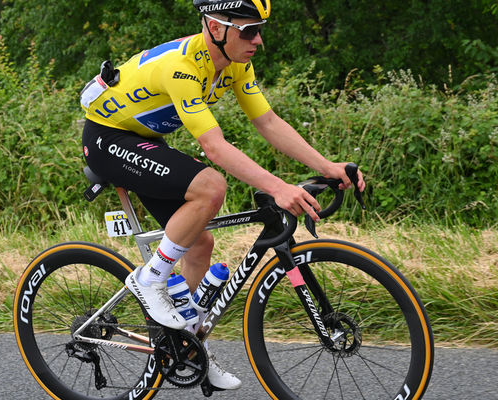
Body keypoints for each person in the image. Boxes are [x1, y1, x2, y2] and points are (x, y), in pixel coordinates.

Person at [80, 0, 365, 390]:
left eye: (259, 29)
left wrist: (327, 167)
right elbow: (213, 147)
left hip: (145, 140)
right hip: (107, 139)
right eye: (248, 31)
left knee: (198, 245)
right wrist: (278, 188)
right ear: (216, 28)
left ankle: (190, 346)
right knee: (211, 186)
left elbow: (266, 120)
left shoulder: (234, 64)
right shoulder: (182, 67)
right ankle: (150, 281)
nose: (258, 40)